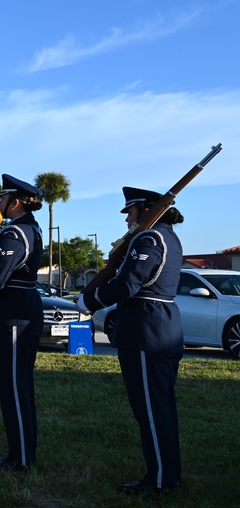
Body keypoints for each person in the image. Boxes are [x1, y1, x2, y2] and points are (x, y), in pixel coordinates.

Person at [77, 187, 183, 495]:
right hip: (159, 327)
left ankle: (160, 479)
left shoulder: (149, 239)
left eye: (131, 213)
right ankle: (166, 473)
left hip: (145, 330)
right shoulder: (168, 237)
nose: (128, 221)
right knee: (160, 408)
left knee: (150, 409)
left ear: (146, 210)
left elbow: (127, 285)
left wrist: (91, 300)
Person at [0, 174, 44, 472]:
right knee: (20, 385)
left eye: (2, 199)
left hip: (14, 315)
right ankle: (23, 452)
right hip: (24, 310)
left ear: (15, 202)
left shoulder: (14, 234)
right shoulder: (29, 229)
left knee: (14, 387)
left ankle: (20, 458)